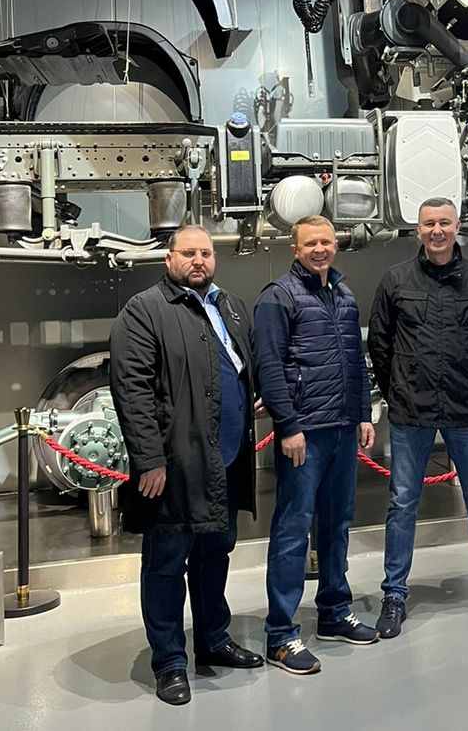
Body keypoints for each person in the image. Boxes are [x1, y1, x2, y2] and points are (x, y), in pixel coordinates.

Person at [109, 225, 261, 706]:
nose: (199, 261)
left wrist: (252, 395)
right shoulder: (145, 310)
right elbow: (132, 389)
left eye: (206, 253)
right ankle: (170, 662)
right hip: (175, 465)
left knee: (216, 554)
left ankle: (213, 639)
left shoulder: (229, 305)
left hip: (227, 460)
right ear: (169, 259)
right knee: (166, 564)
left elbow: (241, 364)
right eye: (189, 253)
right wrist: (149, 459)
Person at [367, 197, 468, 637]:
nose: (437, 230)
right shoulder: (395, 280)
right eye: (429, 224)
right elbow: (380, 343)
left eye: (444, 222)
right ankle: (394, 595)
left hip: (465, 409)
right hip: (411, 411)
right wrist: (400, 388)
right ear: (418, 230)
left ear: (457, 227)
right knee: (402, 502)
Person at [254, 215, 378, 674]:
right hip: (303, 434)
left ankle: (334, 612)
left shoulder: (344, 295)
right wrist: (288, 426)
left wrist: (363, 414)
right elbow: (269, 365)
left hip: (343, 429)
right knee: (292, 531)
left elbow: (356, 361)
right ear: (295, 249)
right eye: (310, 244)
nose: (319, 249)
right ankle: (281, 634)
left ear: (336, 245)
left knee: (337, 524)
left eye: (326, 241)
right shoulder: (278, 297)